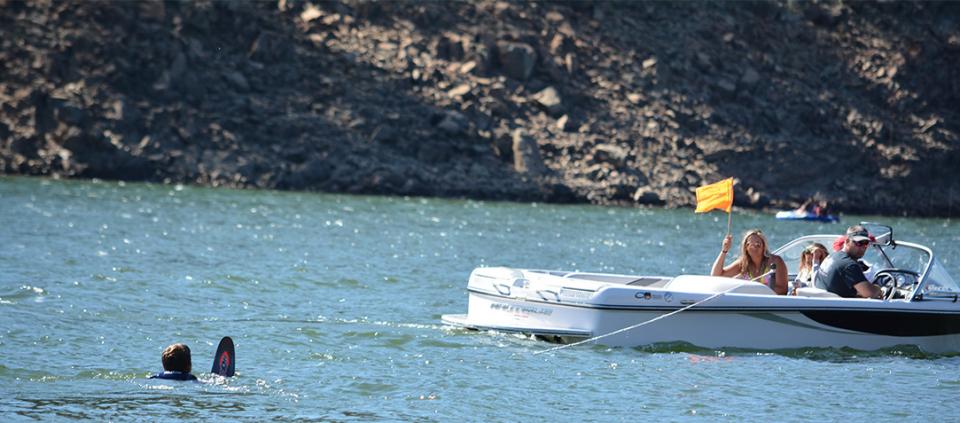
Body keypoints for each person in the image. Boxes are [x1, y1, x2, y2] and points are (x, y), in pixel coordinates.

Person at [712, 229, 788, 295]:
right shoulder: (743, 263)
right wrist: (724, 250)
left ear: (764, 246)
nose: (754, 246)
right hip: (749, 303)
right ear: (746, 247)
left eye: (758, 244)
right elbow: (716, 275)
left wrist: (755, 289)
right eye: (750, 244)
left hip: (772, 304)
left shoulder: (775, 261)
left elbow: (783, 290)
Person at [816, 225, 883, 299]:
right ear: (847, 241)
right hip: (834, 305)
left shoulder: (832, 256)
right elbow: (870, 293)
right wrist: (879, 289)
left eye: (866, 243)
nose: (863, 247)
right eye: (859, 243)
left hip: (827, 301)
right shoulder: (849, 265)